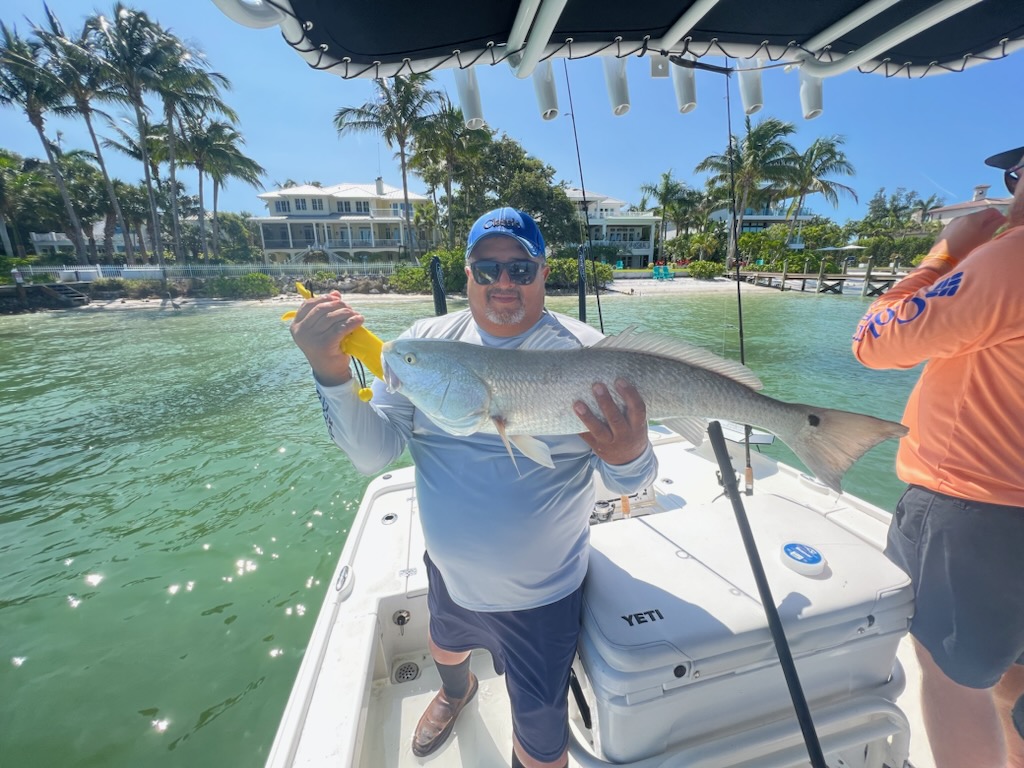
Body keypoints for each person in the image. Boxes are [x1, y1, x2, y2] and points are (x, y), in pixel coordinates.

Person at [290, 207, 657, 768]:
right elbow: (371, 456)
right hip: (449, 574)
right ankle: (455, 690)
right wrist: (330, 372)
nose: (502, 283)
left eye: (520, 268)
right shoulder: (422, 347)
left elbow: (632, 481)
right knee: (445, 642)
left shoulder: (590, 356)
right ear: (467, 274)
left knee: (540, 749)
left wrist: (629, 456)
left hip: (544, 594)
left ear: (543, 271)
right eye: (487, 270)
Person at [851, 146, 1024, 768]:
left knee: (954, 681)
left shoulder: (1013, 260)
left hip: (975, 509)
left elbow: (875, 342)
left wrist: (945, 252)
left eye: (1017, 174)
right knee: (1011, 679)